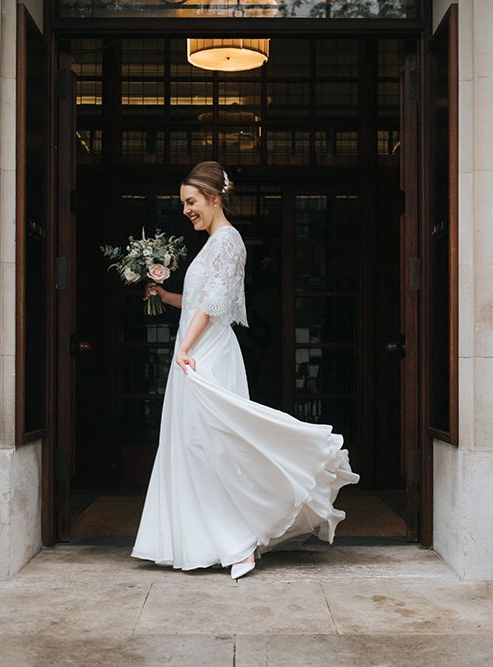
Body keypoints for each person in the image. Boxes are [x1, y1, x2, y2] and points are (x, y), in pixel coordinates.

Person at [130, 161, 359, 580]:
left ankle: (241, 543)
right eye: (184, 204)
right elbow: (201, 301)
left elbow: (215, 306)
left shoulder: (228, 241)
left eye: (191, 202)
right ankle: (199, 541)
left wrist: (184, 348)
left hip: (206, 354)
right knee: (191, 446)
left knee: (216, 446)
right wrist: (165, 295)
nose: (186, 211)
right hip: (195, 351)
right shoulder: (214, 242)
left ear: (214, 198)